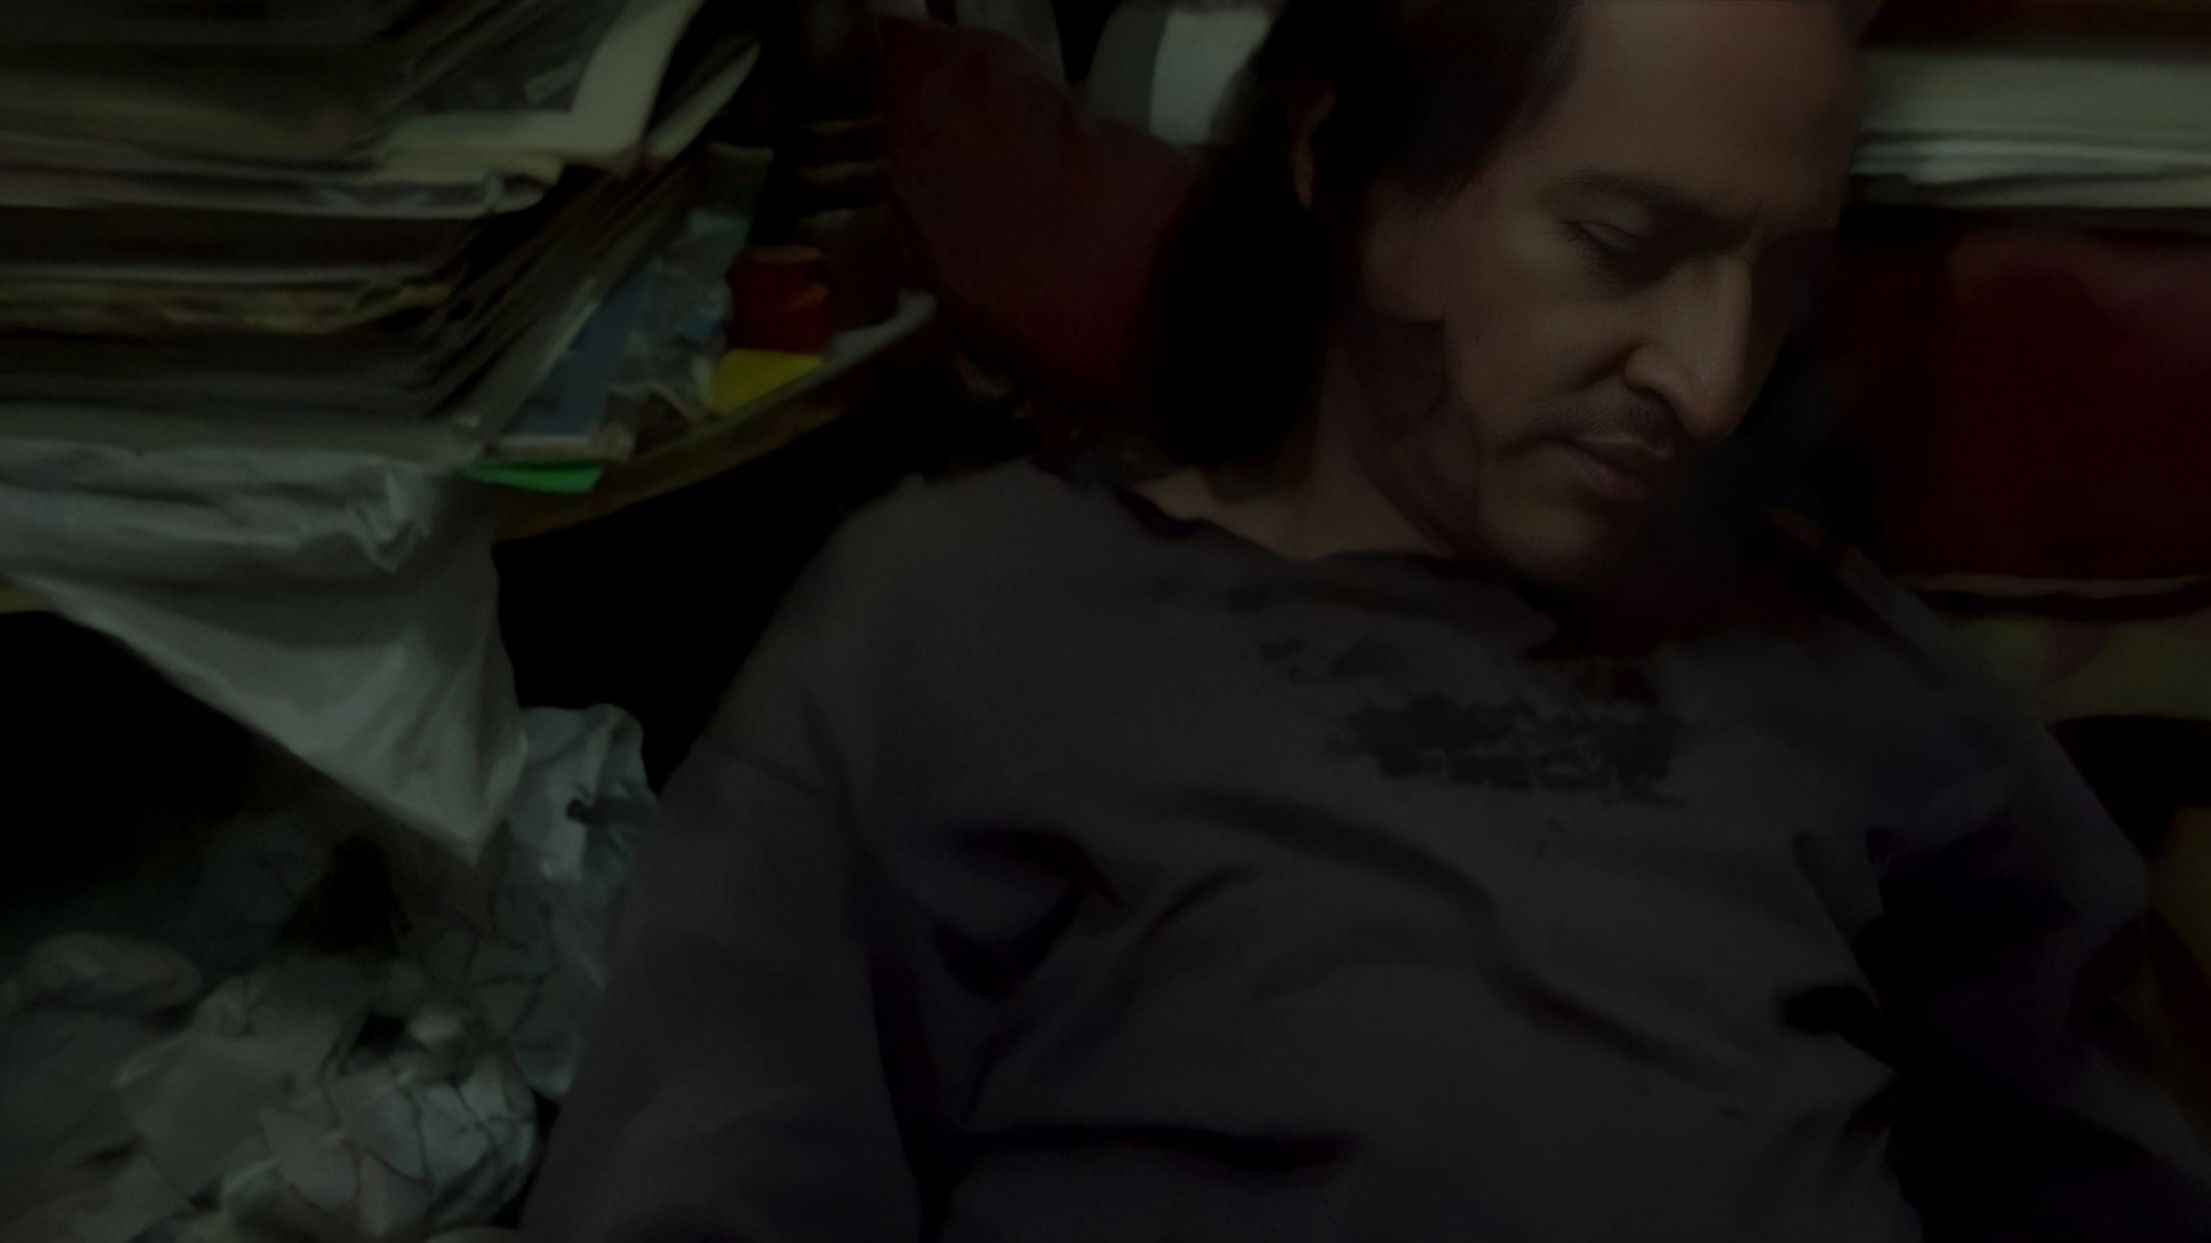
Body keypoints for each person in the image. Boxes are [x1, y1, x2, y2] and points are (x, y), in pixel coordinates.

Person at [522, 2, 2211, 1239]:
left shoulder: (1831, 661)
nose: (1708, 383)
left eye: (1775, 284)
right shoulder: (966, 628)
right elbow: (698, 1193)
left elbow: (2112, 1159)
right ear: (1353, 176)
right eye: (1623, 244)